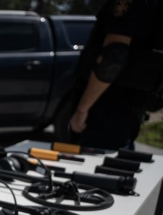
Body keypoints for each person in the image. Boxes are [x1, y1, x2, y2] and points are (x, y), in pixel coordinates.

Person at [68, 0, 163, 150]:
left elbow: (113, 58)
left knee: (95, 161)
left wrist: (82, 109)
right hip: (132, 105)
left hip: (106, 105)